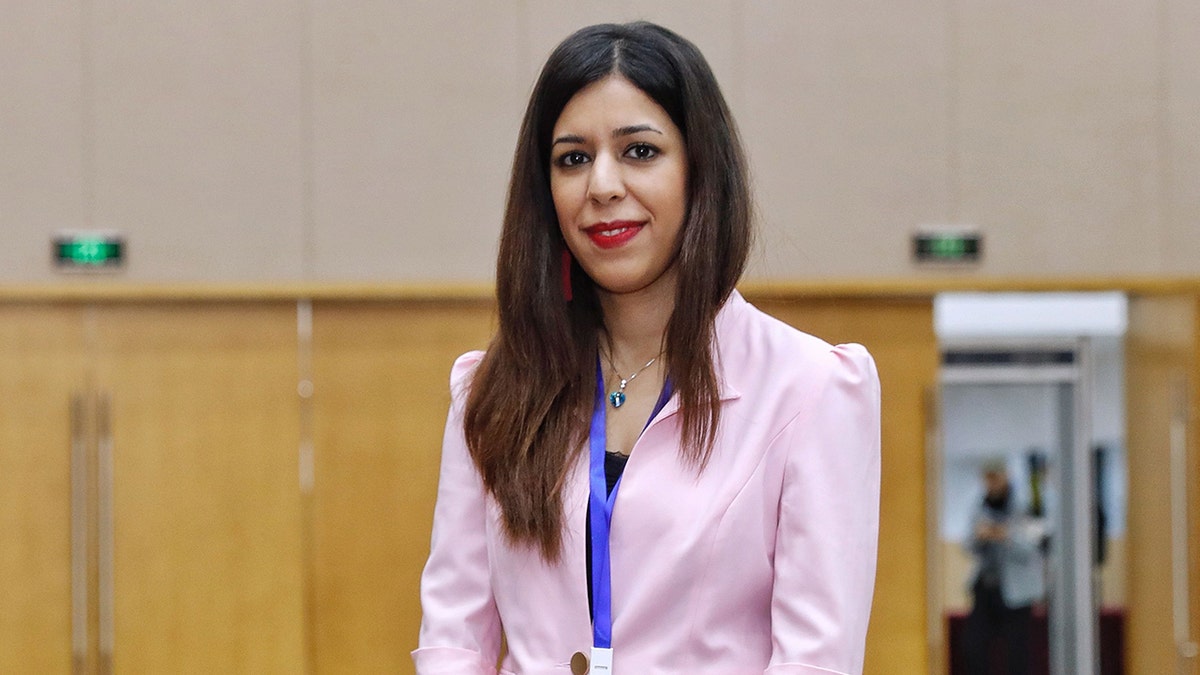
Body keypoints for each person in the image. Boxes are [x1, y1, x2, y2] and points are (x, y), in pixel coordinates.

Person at [413, 21, 881, 675]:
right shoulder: (490, 389)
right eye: (572, 158)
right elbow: (454, 636)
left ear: (699, 168)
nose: (601, 185)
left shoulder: (812, 388)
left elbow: (816, 659)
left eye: (639, 151)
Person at [960, 463, 1047, 674]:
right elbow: (968, 545)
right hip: (987, 586)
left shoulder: (1024, 504)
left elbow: (1035, 545)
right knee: (974, 647)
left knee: (1017, 653)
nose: (992, 484)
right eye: (988, 479)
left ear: (1006, 476)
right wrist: (981, 535)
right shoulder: (980, 505)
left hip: (1016, 592)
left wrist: (1006, 535)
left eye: (996, 477)